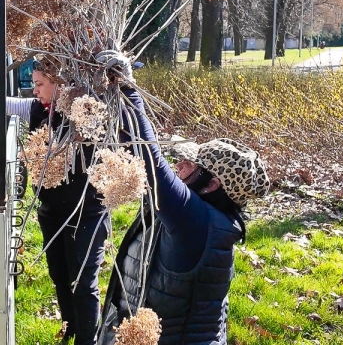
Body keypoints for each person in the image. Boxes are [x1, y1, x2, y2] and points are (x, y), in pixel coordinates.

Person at [93, 50, 271, 345]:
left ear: (212, 184)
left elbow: (150, 162)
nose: (180, 166)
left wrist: (127, 87)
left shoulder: (195, 222)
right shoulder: (206, 217)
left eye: (191, 165)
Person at [0, 61, 109, 345]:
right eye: (34, 83)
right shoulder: (37, 108)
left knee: (83, 281)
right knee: (59, 274)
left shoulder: (86, 112)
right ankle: (71, 329)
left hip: (85, 212)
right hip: (52, 210)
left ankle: (89, 340)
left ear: (60, 83)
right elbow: (0, 103)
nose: (35, 89)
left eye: (40, 84)